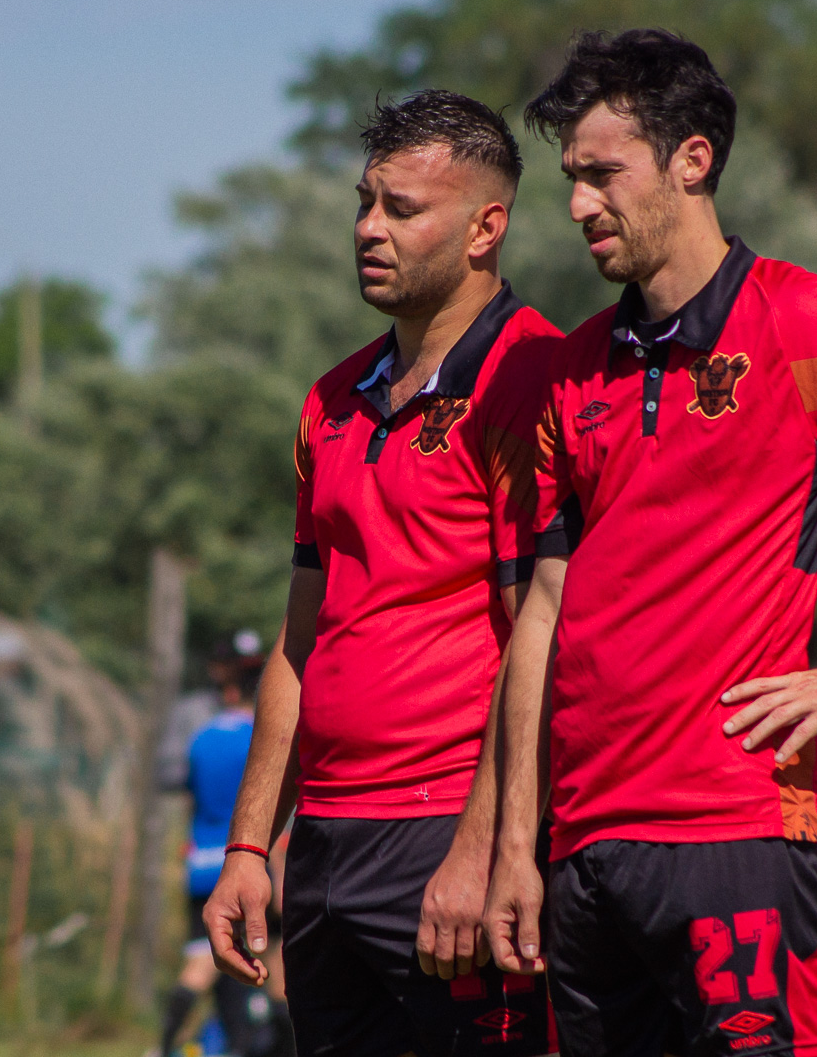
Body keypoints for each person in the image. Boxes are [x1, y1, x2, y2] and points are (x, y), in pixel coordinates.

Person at [482, 29, 817, 1057]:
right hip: (583, 844)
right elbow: (543, 612)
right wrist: (516, 842)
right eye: (570, 179)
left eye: (602, 174)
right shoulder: (573, 370)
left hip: (736, 826)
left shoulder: (795, 319)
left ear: (691, 161)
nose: (577, 205)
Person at [202, 89, 561, 1057]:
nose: (368, 228)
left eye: (402, 209)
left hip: (442, 838)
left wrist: (482, 847)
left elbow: (541, 639)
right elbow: (298, 644)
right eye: (364, 203)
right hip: (322, 846)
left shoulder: (534, 381)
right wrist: (250, 847)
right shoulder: (329, 400)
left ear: (486, 228)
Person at [159, 634, 292, 1057]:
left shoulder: (200, 739)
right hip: (248, 860)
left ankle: (164, 1045)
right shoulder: (262, 740)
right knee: (274, 962)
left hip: (201, 862)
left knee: (203, 960)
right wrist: (280, 870)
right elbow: (272, 811)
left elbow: (188, 795)